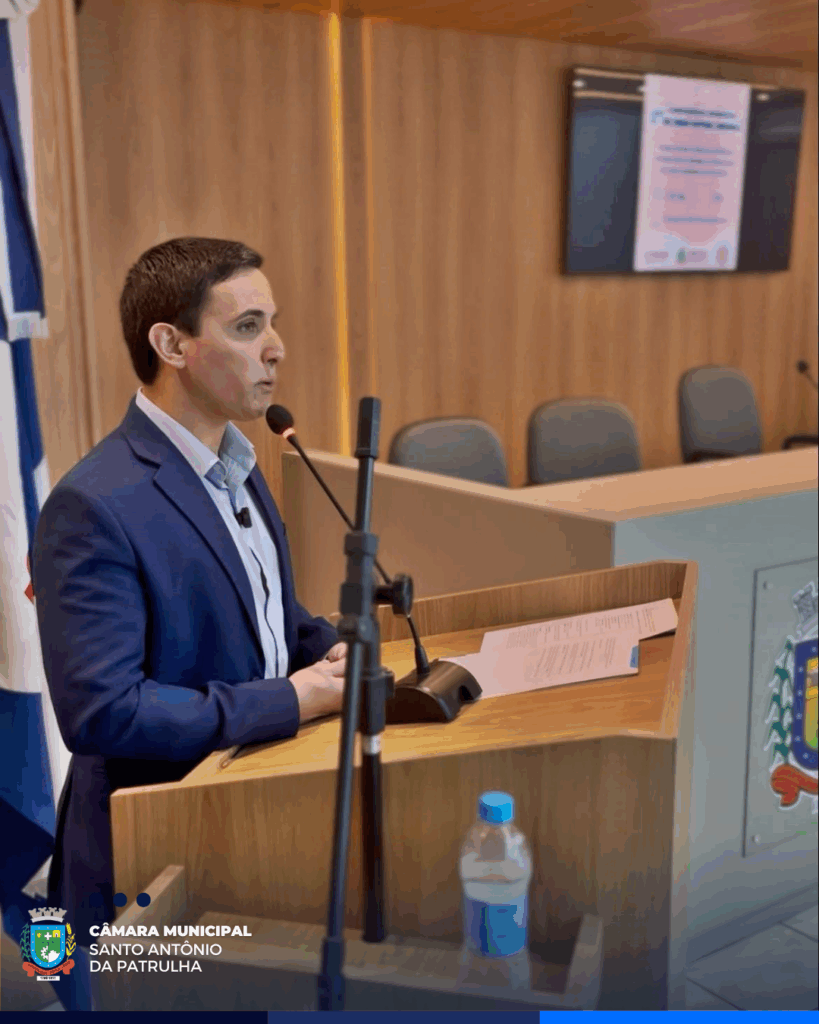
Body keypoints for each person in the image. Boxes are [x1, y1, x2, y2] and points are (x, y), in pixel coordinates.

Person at [32, 237, 347, 962]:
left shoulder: (241, 463)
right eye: (247, 327)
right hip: (152, 859)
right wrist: (293, 699)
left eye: (271, 323)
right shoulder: (92, 504)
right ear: (171, 345)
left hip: (250, 816)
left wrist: (329, 646)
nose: (276, 348)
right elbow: (106, 713)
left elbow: (265, 615)